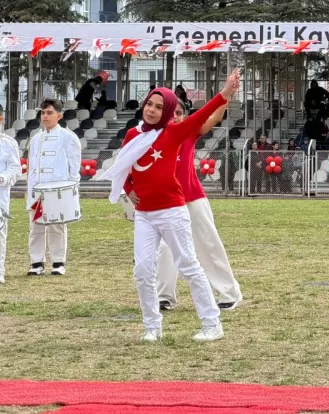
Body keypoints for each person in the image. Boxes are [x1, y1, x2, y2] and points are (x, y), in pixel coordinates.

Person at [97, 69, 240, 343]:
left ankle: (212, 323)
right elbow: (123, 168)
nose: (151, 110)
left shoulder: (175, 133)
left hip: (173, 210)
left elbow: (203, 114)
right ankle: (152, 326)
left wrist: (226, 93)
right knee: (142, 271)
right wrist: (129, 189)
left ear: (170, 111)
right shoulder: (132, 135)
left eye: (159, 107)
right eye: (150, 103)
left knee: (188, 265)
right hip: (144, 215)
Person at [157, 102, 243, 313]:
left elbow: (213, 118)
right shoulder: (154, 139)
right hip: (167, 203)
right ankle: (163, 296)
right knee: (165, 251)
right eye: (171, 113)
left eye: (179, 113)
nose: (175, 117)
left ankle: (229, 293)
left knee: (208, 245)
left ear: (185, 117)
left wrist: (226, 97)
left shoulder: (187, 133)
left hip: (193, 199)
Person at [26, 99, 81, 276]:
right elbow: (32, 168)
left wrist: (72, 191)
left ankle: (58, 262)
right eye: (43, 113)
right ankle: (36, 262)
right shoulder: (36, 139)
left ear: (59, 115)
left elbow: (74, 166)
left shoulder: (69, 137)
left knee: (57, 225)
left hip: (59, 190)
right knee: (36, 227)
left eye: (49, 113)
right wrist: (30, 192)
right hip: (37, 190)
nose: (45, 116)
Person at [0, 105, 21, 285]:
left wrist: (2, 178)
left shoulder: (9, 143)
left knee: (0, 234)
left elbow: (15, 169)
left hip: (0, 196)